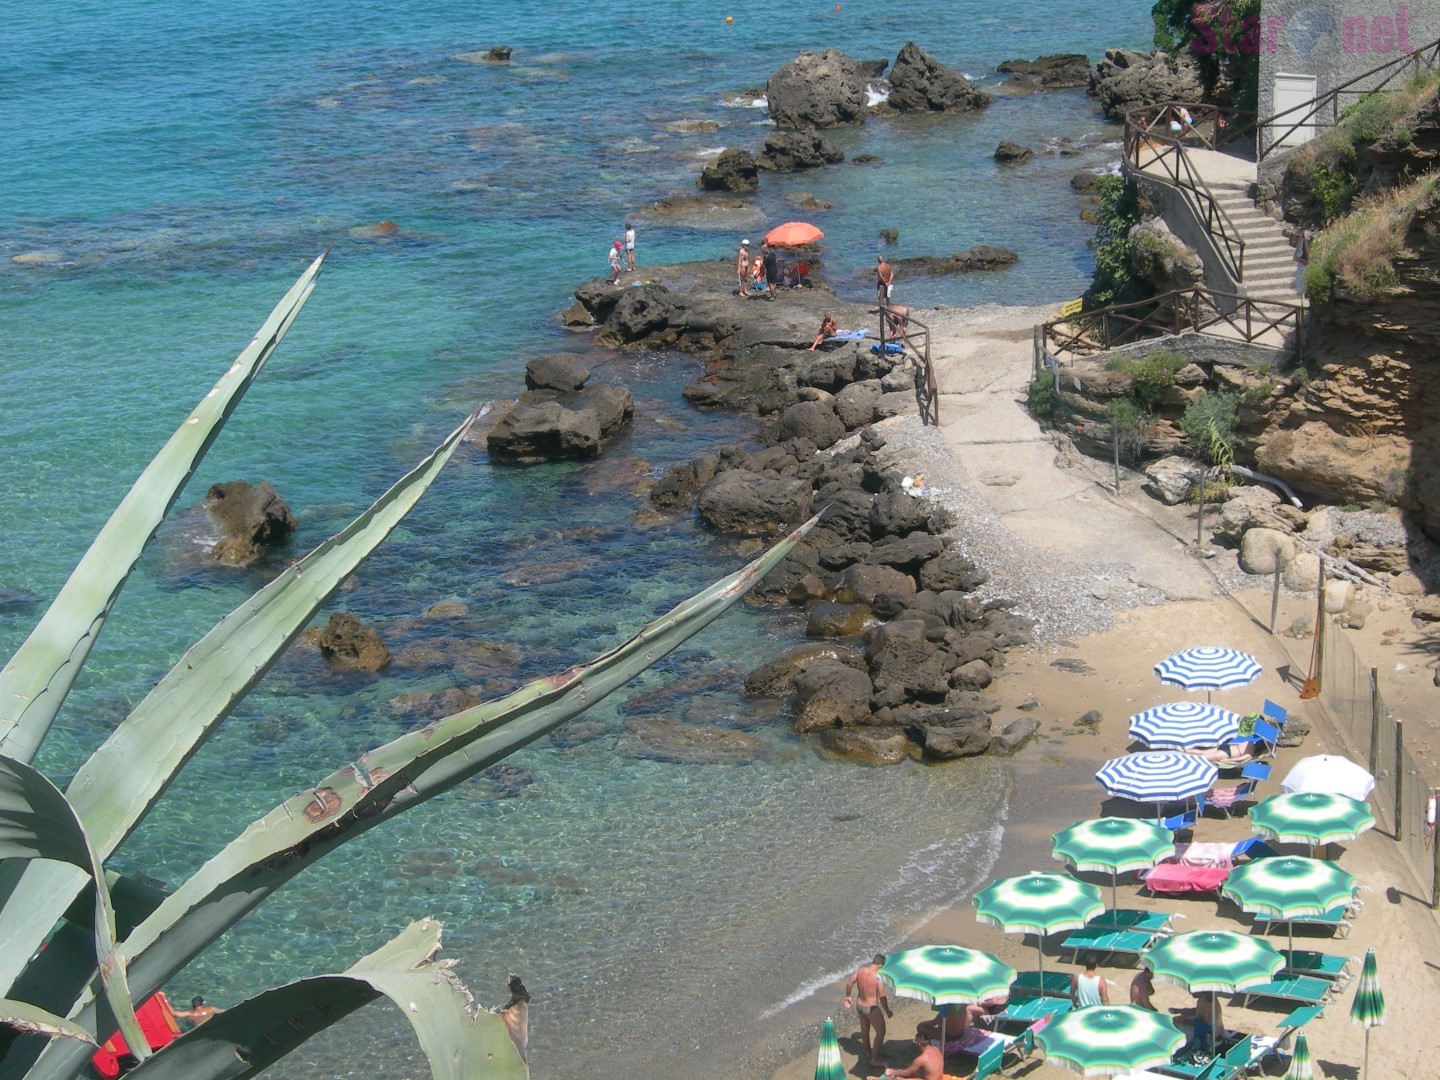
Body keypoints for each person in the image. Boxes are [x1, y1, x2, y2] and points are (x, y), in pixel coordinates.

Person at [843, 954, 892, 1062]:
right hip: (871, 1009)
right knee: (881, 1032)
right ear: (880, 964)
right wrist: (887, 1011)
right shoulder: (877, 977)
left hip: (859, 1006)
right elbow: (882, 997)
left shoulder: (860, 971)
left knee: (865, 1030)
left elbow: (849, 982)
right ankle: (874, 1059)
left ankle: (868, 1051)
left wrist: (848, 996)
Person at [1172, 991, 1223, 1060]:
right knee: (1184, 1015)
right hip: (1217, 1028)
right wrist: (1180, 1011)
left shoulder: (1203, 1002)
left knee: (1176, 1024)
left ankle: (1180, 1048)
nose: (1190, 993)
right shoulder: (1208, 998)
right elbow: (1197, 1011)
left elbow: (1199, 1023)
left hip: (1208, 1033)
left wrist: (1181, 1021)